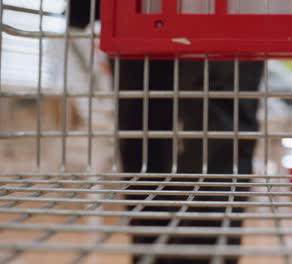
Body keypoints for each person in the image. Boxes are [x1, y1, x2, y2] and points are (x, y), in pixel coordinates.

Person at [69, 1, 263, 263]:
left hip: (210, 16)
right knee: (181, 135)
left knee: (187, 134)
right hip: (144, 17)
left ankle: (184, 253)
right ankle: (173, 252)